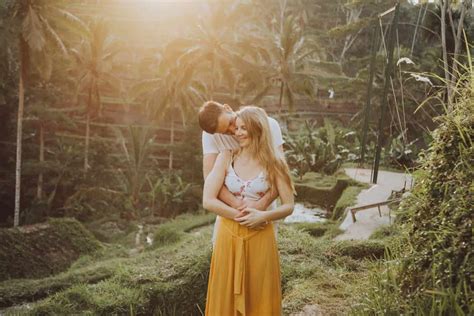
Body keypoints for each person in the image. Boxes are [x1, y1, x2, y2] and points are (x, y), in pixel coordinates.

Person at [203, 106, 295, 315]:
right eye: (237, 128)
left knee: (260, 295)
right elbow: (208, 200)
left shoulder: (275, 163)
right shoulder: (226, 156)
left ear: (258, 129)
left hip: (261, 234)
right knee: (224, 296)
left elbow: (289, 205)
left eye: (244, 128)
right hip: (228, 234)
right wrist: (242, 215)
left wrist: (262, 215)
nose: (238, 132)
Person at [199, 101, 284, 245]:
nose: (234, 131)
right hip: (229, 209)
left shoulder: (269, 125)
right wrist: (237, 204)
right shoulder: (210, 135)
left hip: (263, 210)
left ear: (227, 108)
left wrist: (262, 205)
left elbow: (281, 175)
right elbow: (209, 179)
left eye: (232, 122)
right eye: (226, 131)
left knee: (261, 257)